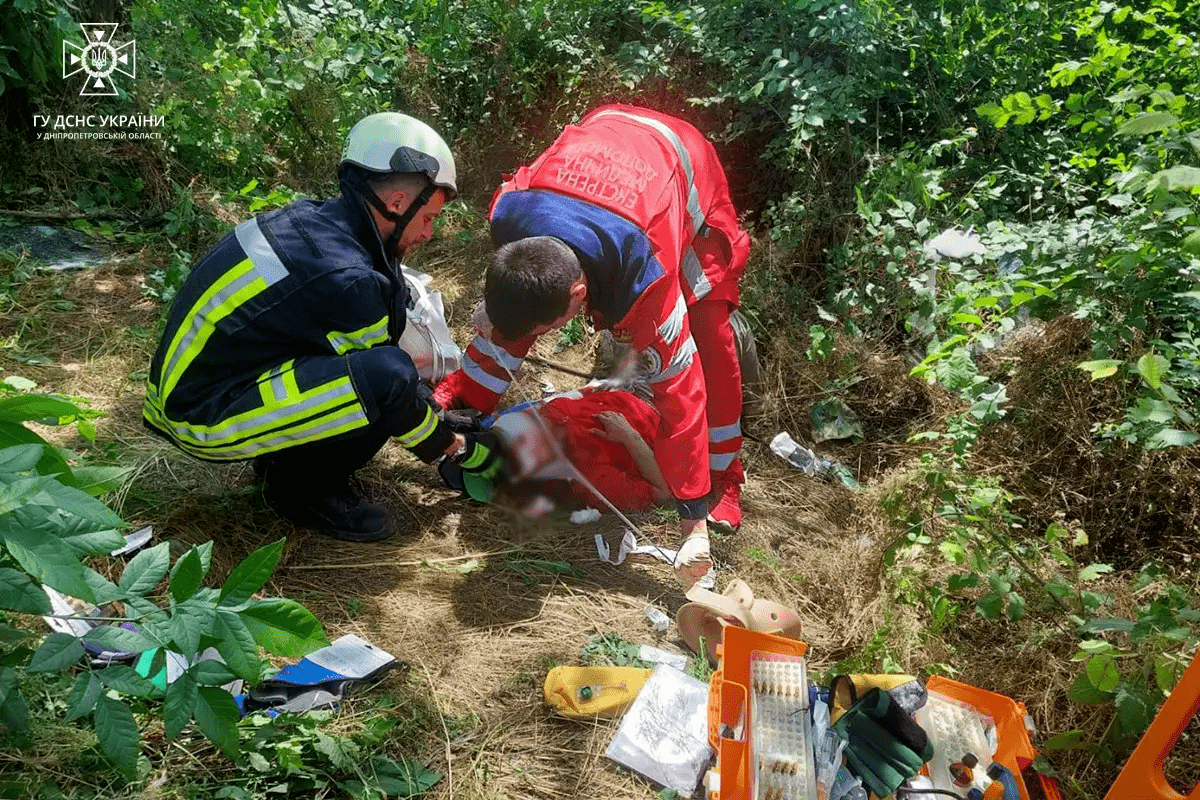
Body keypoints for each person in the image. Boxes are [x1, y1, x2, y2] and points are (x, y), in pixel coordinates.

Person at [142, 112, 502, 542]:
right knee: (383, 378)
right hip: (201, 416)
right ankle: (301, 490)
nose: (429, 233)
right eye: (430, 218)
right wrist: (451, 449)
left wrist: (436, 412)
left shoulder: (314, 224)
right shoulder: (348, 279)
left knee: (377, 375)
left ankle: (284, 460)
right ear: (400, 201)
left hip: (193, 388)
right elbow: (387, 388)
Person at [433, 104, 751, 587]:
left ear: (579, 297)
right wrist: (453, 412)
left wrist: (692, 522)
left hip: (681, 172)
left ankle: (724, 476)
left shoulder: (648, 283)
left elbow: (681, 395)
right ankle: (467, 400)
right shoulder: (509, 217)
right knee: (520, 317)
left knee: (709, 332)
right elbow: (510, 322)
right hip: (602, 146)